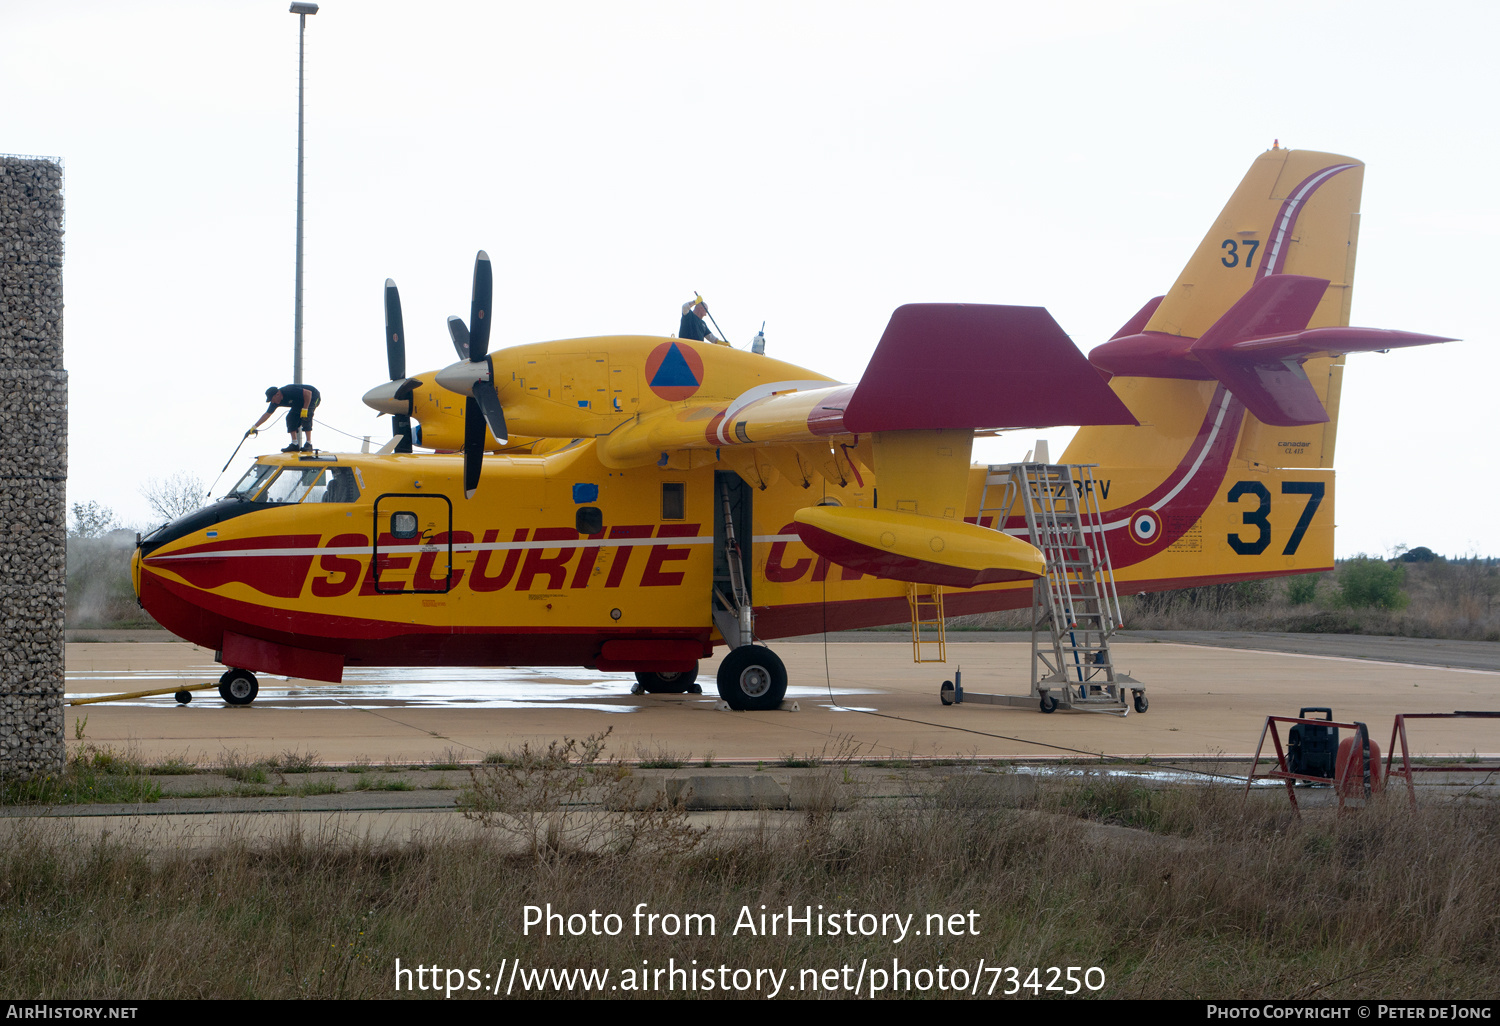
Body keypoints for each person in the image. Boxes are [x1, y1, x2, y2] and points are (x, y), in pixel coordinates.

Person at [249, 384, 322, 453]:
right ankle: (294, 444)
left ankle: (308, 444)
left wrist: (305, 409)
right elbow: (267, 414)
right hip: (298, 401)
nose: (272, 402)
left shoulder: (289, 390)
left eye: (272, 399)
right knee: (290, 418)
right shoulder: (275, 402)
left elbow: (308, 393)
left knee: (306, 416)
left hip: (313, 397)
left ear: (277, 394)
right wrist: (254, 427)